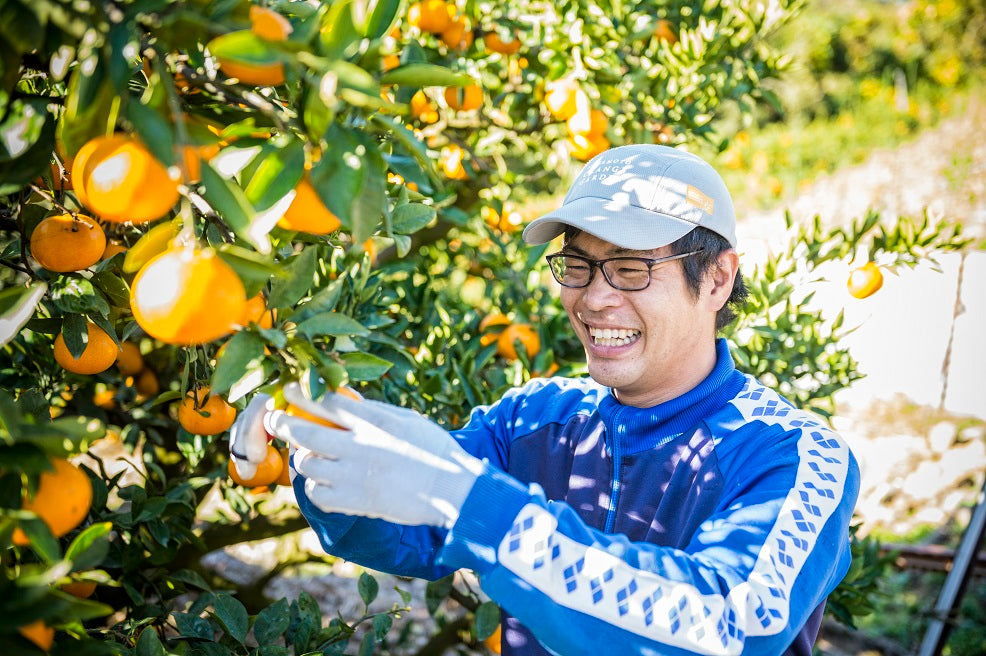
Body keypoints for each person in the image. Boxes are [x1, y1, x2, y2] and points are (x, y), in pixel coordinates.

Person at [229, 144, 861, 656]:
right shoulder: (534, 420)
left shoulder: (794, 456)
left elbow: (729, 625)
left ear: (717, 278)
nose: (594, 298)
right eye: (578, 266)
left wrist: (475, 505)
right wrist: (323, 450)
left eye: (632, 268)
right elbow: (402, 532)